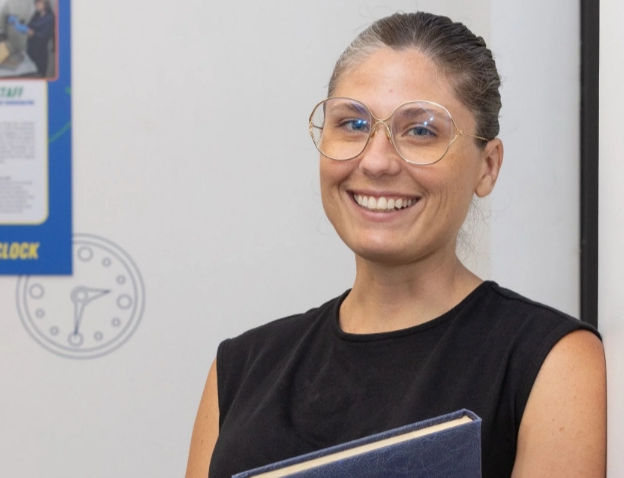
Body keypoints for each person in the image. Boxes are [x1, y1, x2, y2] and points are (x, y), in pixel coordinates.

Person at [185, 12, 606, 478]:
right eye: (352, 124)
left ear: (487, 167)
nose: (377, 160)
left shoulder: (549, 362)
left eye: (421, 130)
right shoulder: (241, 370)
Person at [25, 0, 55, 77]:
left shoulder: (50, 17)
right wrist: (22, 27)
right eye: (36, 3)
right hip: (31, 48)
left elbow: (46, 35)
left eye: (39, 3)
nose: (36, 4)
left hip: (40, 52)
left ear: (45, 4)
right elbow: (29, 26)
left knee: (39, 74)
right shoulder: (36, 15)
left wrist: (33, 33)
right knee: (29, 73)